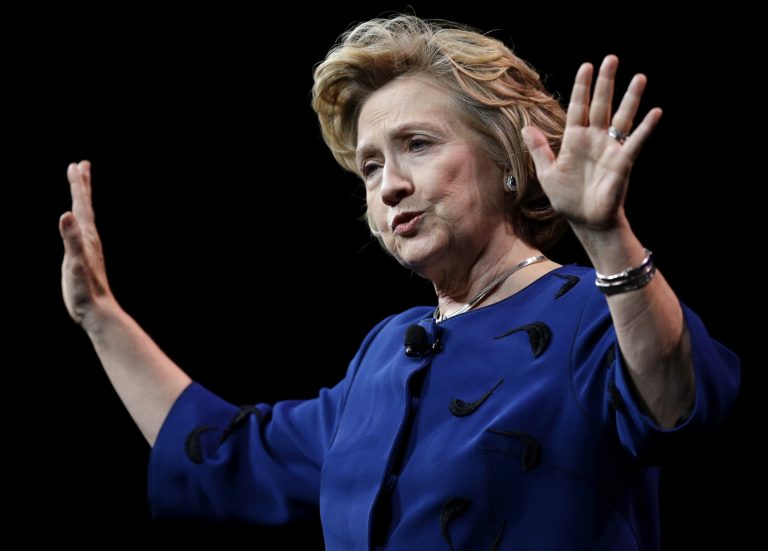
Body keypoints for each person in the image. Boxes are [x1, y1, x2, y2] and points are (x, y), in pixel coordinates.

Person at [59, 14, 739, 551]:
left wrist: (606, 235)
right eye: (370, 168)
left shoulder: (590, 310)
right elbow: (230, 455)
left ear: (506, 159)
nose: (391, 186)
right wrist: (100, 316)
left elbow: (677, 402)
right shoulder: (386, 353)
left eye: (418, 144)